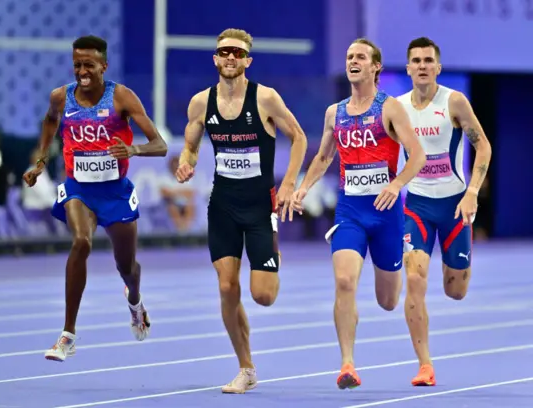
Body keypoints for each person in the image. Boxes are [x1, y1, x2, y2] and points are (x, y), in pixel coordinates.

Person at [175, 28, 308, 393]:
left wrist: (289, 183)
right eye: (224, 52)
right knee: (226, 286)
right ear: (215, 59)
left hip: (259, 204)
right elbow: (190, 146)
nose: (230, 57)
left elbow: (298, 137)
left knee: (263, 296)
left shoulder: (265, 98)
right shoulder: (200, 103)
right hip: (223, 205)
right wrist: (186, 163)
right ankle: (246, 367)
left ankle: (271, 253)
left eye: (237, 52)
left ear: (248, 60)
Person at [291, 38, 426, 389]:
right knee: (344, 281)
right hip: (350, 211)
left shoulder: (390, 108)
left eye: (361, 56)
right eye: (349, 56)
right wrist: (303, 188)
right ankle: (347, 364)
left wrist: (396, 185)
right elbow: (323, 157)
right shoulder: (334, 113)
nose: (353, 60)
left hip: (386, 214)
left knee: (387, 300)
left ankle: (402, 255)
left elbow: (417, 156)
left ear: (375, 66)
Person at [22, 35, 168, 362]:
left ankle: (135, 302)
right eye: (77, 65)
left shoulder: (122, 98)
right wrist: (41, 162)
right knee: (81, 242)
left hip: (115, 192)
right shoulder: (61, 97)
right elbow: (49, 122)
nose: (82, 71)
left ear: (104, 65)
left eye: (89, 65)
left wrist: (133, 149)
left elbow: (160, 145)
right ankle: (67, 335)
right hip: (79, 188)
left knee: (126, 267)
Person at [397, 37, 492, 386]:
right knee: (414, 278)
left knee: (455, 291)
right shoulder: (397, 107)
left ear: (437, 67)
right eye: (416, 60)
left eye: (428, 60)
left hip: (454, 208)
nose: (422, 65)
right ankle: (425, 365)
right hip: (417, 207)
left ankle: (459, 261)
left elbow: (483, 146)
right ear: (407, 68)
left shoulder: (453, 102)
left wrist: (472, 193)